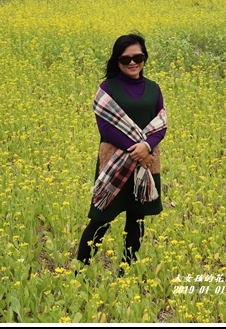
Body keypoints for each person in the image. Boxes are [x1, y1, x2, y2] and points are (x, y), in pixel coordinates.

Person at [76, 33, 167, 274]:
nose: (132, 63)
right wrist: (136, 149)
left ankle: (126, 271)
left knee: (137, 219)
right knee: (100, 218)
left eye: (137, 57)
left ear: (145, 58)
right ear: (117, 61)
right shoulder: (107, 89)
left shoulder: (153, 88)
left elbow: (161, 123)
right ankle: (80, 272)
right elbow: (105, 127)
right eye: (125, 59)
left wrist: (146, 146)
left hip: (145, 162)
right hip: (115, 163)